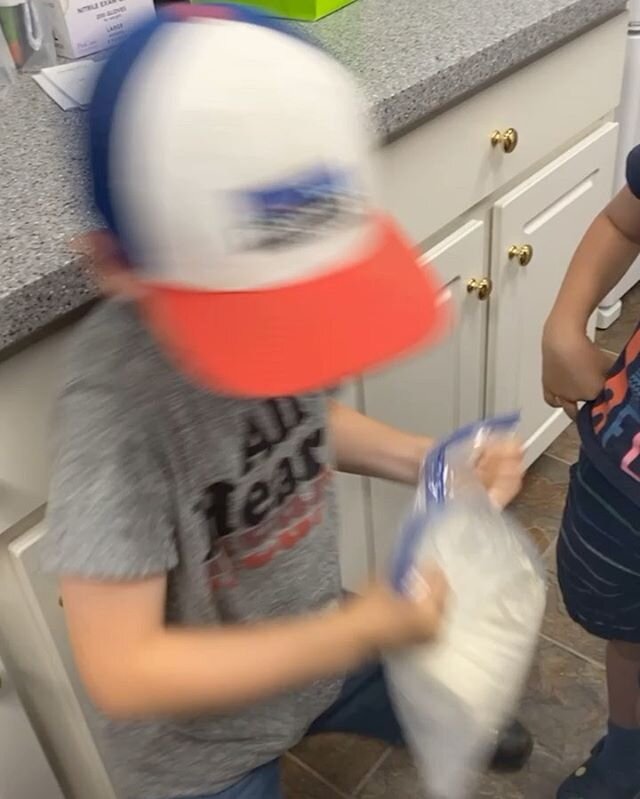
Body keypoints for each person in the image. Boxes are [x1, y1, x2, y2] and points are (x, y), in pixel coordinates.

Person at [42, 6, 529, 799]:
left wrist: (427, 458)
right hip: (198, 744)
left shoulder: (275, 311)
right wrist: (359, 627)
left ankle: (402, 691)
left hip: (310, 635)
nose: (284, 345)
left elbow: (293, 423)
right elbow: (123, 668)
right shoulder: (116, 410)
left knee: (388, 657)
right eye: (255, 325)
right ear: (111, 265)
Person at [543, 143, 640, 799]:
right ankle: (625, 761)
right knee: (629, 638)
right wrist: (563, 326)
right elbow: (624, 220)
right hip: (621, 486)